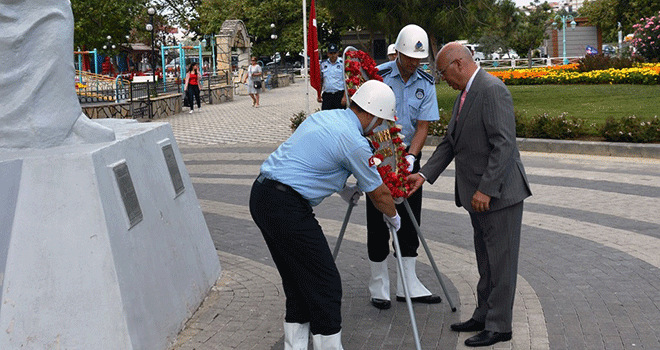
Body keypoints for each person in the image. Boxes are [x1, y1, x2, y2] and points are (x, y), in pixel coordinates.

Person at [250, 80, 401, 350]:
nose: (378, 127)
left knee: (298, 283)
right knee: (326, 285)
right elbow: (380, 195)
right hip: (287, 206)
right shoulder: (355, 141)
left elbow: (314, 157)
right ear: (372, 114)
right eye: (380, 121)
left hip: (263, 195)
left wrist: (342, 189)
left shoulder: (325, 117)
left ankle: (294, 346)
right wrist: (394, 219)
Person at [407, 42, 532, 347]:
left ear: (459, 64)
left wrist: (486, 190)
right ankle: (484, 314)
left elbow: (504, 144)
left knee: (501, 263)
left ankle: (500, 326)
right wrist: (423, 175)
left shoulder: (492, 89)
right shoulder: (466, 93)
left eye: (443, 72)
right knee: (486, 260)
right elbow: (451, 142)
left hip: (499, 195)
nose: (442, 79)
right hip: (477, 197)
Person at [365, 24, 441, 310]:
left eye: (418, 59)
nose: (413, 63)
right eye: (408, 57)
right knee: (378, 218)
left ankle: (408, 282)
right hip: (380, 156)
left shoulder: (425, 81)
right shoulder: (379, 77)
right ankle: (379, 283)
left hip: (409, 156)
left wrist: (412, 156)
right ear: (397, 52)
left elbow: (423, 126)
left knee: (410, 220)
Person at [318, 43, 344, 110]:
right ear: (328, 54)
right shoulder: (323, 64)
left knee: (340, 118)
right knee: (326, 118)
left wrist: (345, 97)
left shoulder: (343, 63)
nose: (333, 55)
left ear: (338, 53)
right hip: (327, 96)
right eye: (331, 53)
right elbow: (321, 80)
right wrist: (319, 94)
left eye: (334, 53)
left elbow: (346, 80)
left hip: (339, 95)